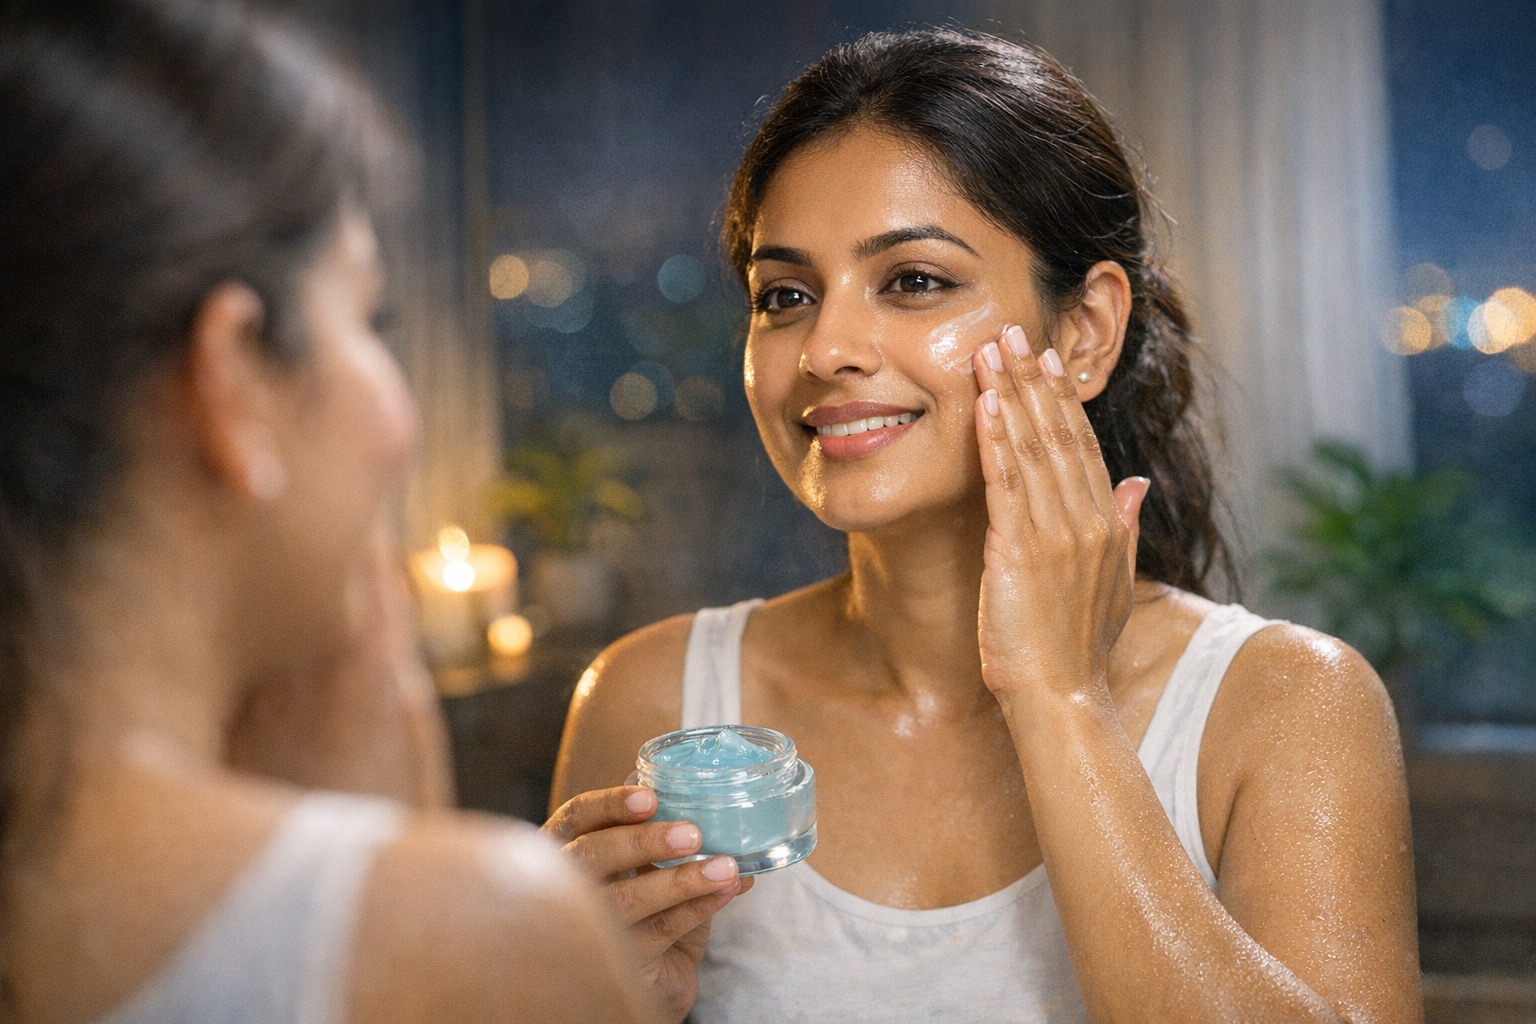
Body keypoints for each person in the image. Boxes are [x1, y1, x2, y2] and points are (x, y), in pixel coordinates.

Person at [551, 27, 1422, 1024]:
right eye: (785, 295)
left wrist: (1061, 696)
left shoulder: (1285, 708)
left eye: (914, 280)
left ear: (1086, 330)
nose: (826, 346)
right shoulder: (651, 702)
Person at [0, 1, 675, 1020]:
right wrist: (384, 874)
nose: (401, 415)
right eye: (368, 317)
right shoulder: (469, 930)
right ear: (232, 379)